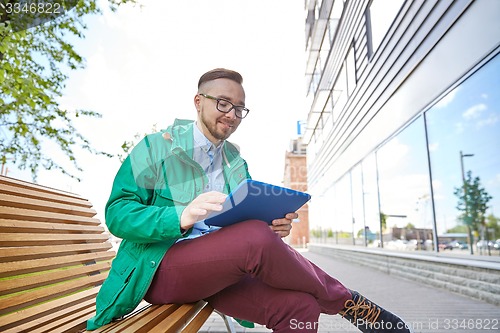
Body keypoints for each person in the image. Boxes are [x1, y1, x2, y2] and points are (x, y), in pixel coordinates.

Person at [87, 68, 411, 333]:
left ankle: (339, 301)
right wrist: (180, 216)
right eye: (223, 103)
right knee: (255, 237)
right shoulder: (156, 147)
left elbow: (244, 224)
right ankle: (349, 304)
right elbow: (118, 214)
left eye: (239, 108)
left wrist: (275, 226)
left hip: (223, 270)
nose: (232, 114)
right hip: (160, 269)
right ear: (198, 101)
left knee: (300, 307)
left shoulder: (235, 162)